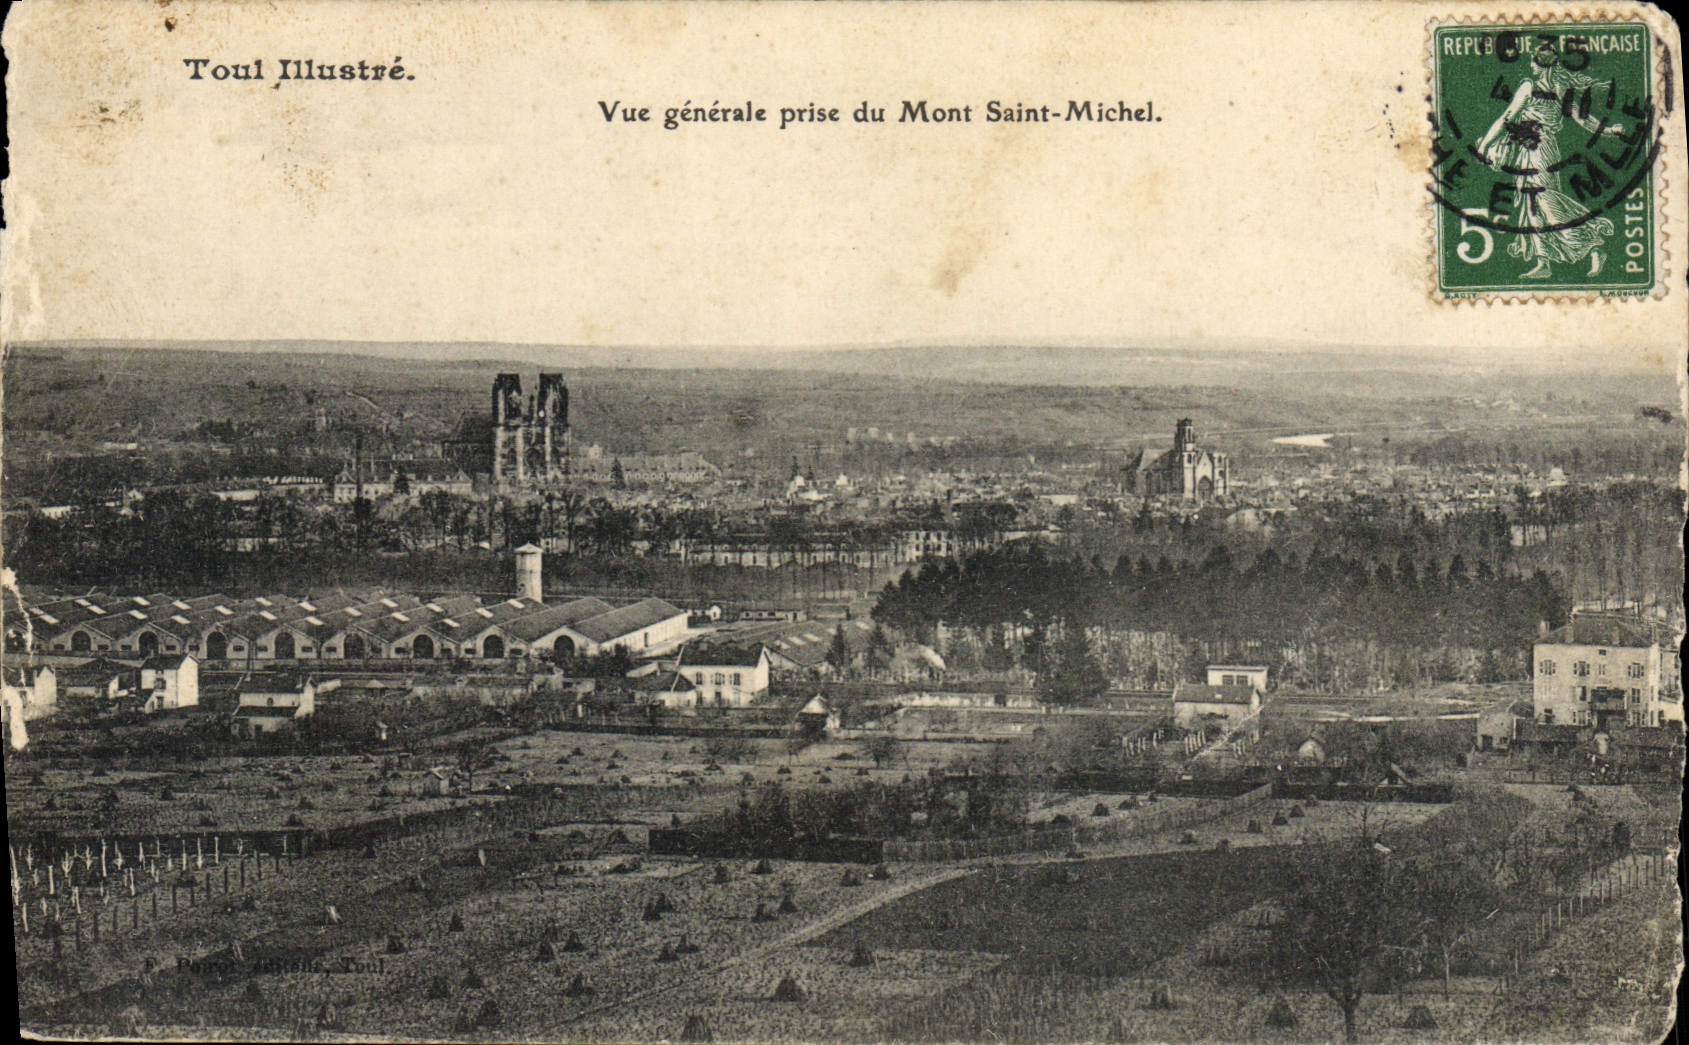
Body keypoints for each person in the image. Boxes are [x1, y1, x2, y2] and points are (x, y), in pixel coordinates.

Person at [1474, 40, 1627, 278]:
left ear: (1539, 64)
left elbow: (1507, 117)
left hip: (1539, 150)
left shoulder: (1530, 86)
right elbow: (1584, 119)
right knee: (1532, 206)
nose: (1531, 66)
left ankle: (1593, 245)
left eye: (1533, 62)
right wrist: (1608, 130)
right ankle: (1543, 262)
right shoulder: (1560, 87)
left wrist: (1484, 145)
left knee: (1544, 201)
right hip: (1533, 149)